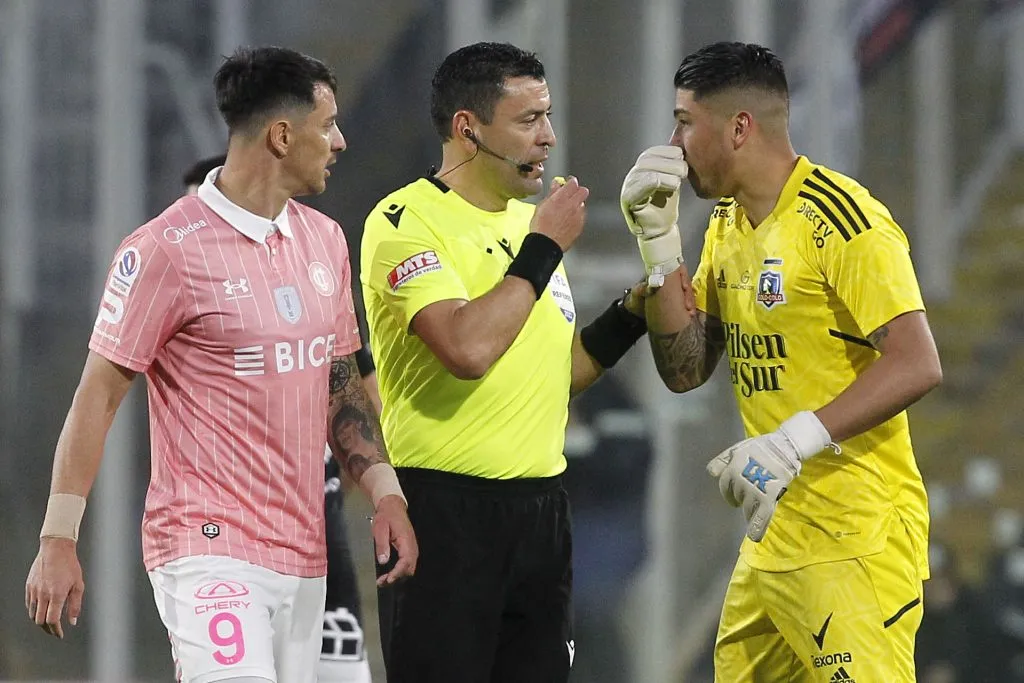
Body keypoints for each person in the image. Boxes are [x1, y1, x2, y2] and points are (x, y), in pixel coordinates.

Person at [24, 46, 417, 682]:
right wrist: (57, 537)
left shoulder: (324, 240)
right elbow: (97, 394)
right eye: (328, 126)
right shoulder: (164, 251)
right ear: (282, 136)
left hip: (304, 550)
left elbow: (339, 378)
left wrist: (384, 492)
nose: (340, 141)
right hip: (208, 547)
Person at [620, 41, 942, 682]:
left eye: (685, 121)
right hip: (773, 539)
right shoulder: (725, 226)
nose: (672, 143)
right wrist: (658, 250)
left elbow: (917, 361)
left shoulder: (844, 222)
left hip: (853, 539)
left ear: (739, 127)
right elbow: (686, 370)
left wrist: (794, 441)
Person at [360, 42, 650, 683]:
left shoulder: (531, 227)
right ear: (468, 128)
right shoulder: (407, 221)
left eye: (547, 117)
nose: (549, 137)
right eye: (528, 121)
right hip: (444, 513)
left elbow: (556, 376)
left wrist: (632, 313)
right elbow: (466, 349)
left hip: (543, 512)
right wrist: (544, 246)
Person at [185, 154, 379, 682]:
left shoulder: (312, 273)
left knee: (340, 673)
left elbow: (362, 391)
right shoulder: (178, 288)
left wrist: (387, 486)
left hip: (318, 521)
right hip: (219, 531)